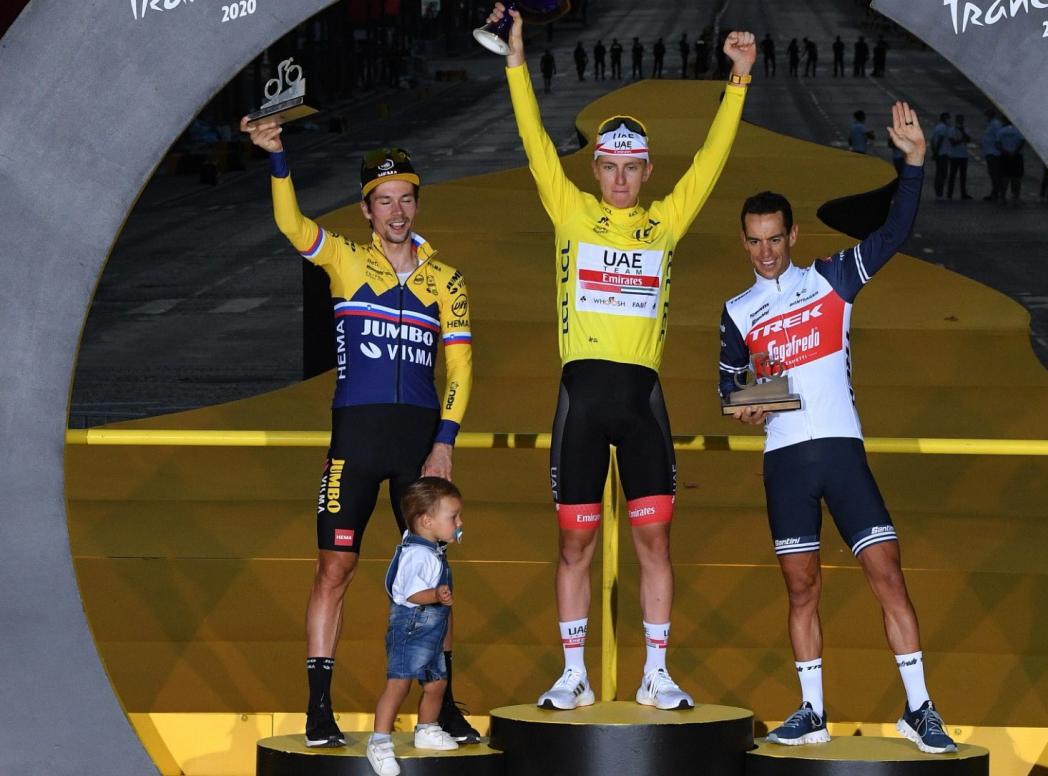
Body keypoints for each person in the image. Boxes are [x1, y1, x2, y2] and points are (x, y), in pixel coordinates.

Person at [485, 1, 755, 712]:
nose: (623, 181)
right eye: (612, 168)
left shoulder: (666, 221)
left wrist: (738, 84)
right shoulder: (571, 212)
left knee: (656, 545)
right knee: (573, 547)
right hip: (581, 397)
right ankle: (572, 673)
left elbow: (712, 162)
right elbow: (535, 141)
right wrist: (516, 61)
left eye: (634, 170)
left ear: (646, 172)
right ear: (597, 169)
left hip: (642, 403)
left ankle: (656, 674)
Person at [719, 102, 957, 756]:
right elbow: (727, 387)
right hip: (787, 462)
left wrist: (913, 163)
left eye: (775, 238)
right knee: (802, 588)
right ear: (744, 242)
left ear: (792, 235)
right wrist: (750, 401)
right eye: (754, 240)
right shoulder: (737, 310)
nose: (766, 251)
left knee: (888, 574)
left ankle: (920, 710)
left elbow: (894, 234)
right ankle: (812, 714)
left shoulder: (831, 279)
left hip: (843, 454)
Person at [237, 122, 475, 748]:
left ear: (417, 203)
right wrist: (278, 157)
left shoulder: (444, 277)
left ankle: (442, 704)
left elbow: (462, 366)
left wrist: (444, 440)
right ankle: (319, 708)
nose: (397, 211)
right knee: (335, 568)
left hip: (420, 445)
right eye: (384, 199)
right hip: (356, 442)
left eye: (407, 198)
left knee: (433, 573)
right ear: (367, 209)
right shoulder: (343, 258)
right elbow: (292, 227)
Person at [365, 478, 465, 776]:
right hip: (411, 628)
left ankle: (427, 728)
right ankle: (380, 741)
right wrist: (436, 595)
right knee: (399, 684)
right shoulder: (416, 555)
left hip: (430, 631)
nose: (460, 522)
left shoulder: (431, 549)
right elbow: (409, 593)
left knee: (436, 683)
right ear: (427, 521)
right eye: (453, 517)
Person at [997, 117, 1026, 203]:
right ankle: (1015, 196)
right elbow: (1022, 141)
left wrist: (1004, 151)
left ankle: (1002, 196)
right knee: (1016, 177)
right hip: (1016, 156)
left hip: (1005, 155)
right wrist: (1015, 151)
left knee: (1004, 176)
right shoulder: (1018, 130)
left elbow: (997, 143)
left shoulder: (1001, 131)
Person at [946, 114, 971, 200]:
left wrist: (962, 132)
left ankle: (963, 193)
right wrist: (961, 140)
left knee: (963, 176)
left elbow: (968, 140)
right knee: (952, 175)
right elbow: (952, 142)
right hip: (954, 156)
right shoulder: (951, 130)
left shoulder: (966, 129)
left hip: (963, 155)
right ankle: (949, 193)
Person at [981, 108, 1002, 200]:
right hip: (990, 152)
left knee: (994, 173)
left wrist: (999, 148)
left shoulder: (995, 124)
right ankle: (995, 192)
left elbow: (998, 137)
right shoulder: (990, 124)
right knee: (992, 173)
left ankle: (996, 193)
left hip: (994, 153)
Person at [930, 112, 950, 199]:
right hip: (943, 154)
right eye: (948, 118)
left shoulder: (937, 127)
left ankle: (938, 192)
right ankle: (939, 193)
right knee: (942, 174)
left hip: (940, 154)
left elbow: (932, 141)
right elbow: (940, 140)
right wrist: (936, 152)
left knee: (939, 173)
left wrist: (934, 151)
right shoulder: (943, 128)